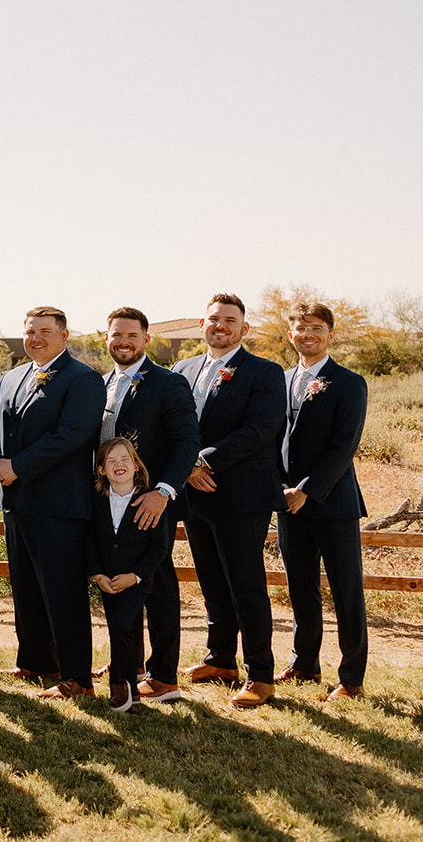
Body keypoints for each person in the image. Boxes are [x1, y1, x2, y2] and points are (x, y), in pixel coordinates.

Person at [171, 294, 286, 708]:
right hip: (193, 493)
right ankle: (220, 659)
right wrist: (184, 469)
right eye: (215, 319)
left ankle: (261, 675)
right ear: (203, 323)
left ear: (244, 328)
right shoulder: (181, 370)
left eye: (230, 320)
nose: (221, 326)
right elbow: (172, 422)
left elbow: (262, 428)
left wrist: (200, 461)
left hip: (240, 494)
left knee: (246, 585)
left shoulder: (264, 372)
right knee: (211, 582)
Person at [0, 306, 103, 700]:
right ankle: (36, 662)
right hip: (16, 499)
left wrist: (18, 465)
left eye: (46, 332)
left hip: (59, 503)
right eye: (30, 331)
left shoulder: (82, 379)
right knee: (26, 587)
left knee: (62, 591)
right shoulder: (12, 376)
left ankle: (76, 677)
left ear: (65, 335)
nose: (36, 338)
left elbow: (72, 435)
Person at [97, 308, 200, 703]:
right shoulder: (101, 382)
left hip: (152, 501)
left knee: (157, 585)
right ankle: (128, 665)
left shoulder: (168, 383)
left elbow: (186, 442)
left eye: (131, 335)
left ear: (145, 340)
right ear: (106, 337)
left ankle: (164, 677)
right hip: (110, 501)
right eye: (116, 334)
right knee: (123, 582)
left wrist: (162, 492)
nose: (123, 341)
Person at [276, 301, 369, 701]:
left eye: (316, 327)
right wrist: (278, 489)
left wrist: (307, 490)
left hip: (332, 503)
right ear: (291, 333)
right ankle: (304, 665)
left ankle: (351, 678)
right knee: (301, 588)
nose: (307, 334)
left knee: (346, 591)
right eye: (300, 327)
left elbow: (343, 446)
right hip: (285, 503)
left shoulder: (349, 383)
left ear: (330, 334)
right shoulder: (276, 380)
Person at [87, 438, 169, 713]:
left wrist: (134, 576)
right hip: (107, 580)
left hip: (136, 580)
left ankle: (118, 683)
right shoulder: (96, 501)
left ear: (135, 466)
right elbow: (89, 541)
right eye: (111, 461)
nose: (118, 464)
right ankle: (133, 687)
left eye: (124, 459)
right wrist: (98, 575)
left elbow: (159, 548)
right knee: (120, 628)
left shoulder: (148, 500)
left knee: (122, 625)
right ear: (101, 470)